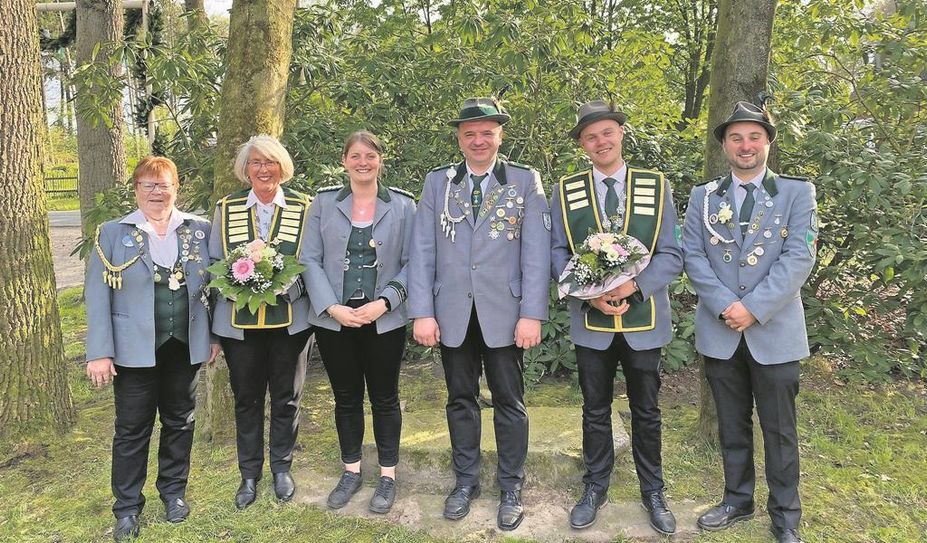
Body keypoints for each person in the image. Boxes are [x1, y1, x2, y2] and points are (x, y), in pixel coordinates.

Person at [408, 97, 550, 531]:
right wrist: (422, 312)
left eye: (487, 132)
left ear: (499, 136)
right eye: (469, 134)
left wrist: (532, 313)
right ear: (459, 139)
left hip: (505, 313)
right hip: (451, 311)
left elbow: (536, 253)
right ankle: (465, 481)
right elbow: (422, 249)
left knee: (510, 401)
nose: (478, 140)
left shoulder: (524, 180)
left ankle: (511, 487)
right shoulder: (438, 182)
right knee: (459, 400)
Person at [682, 101, 817, 543]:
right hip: (721, 331)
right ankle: (737, 499)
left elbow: (799, 258)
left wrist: (753, 308)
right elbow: (693, 255)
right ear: (724, 145)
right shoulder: (703, 196)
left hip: (774, 331)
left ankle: (785, 516)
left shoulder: (797, 193)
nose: (745, 146)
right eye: (736, 137)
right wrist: (726, 305)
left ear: (768, 142)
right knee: (731, 424)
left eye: (754, 137)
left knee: (779, 431)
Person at [549, 100, 683, 535]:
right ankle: (595, 486)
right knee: (594, 409)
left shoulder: (655, 185)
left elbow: (672, 254)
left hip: (645, 320)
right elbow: (557, 252)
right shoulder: (566, 190)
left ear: (621, 134)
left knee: (647, 411)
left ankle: (653, 490)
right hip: (592, 323)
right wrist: (588, 295)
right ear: (582, 145)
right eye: (590, 137)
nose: (600, 141)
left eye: (607, 132)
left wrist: (634, 286)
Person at [85, 156, 219, 541]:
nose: (156, 192)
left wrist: (213, 337)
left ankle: (173, 493)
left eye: (164, 184)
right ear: (136, 189)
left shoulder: (199, 230)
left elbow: (215, 288)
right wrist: (99, 352)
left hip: (183, 345)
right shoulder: (113, 233)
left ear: (177, 188)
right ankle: (127, 508)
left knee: (180, 421)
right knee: (132, 431)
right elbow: (97, 296)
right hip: (133, 350)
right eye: (148, 185)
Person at [301, 131, 416, 514]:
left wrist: (386, 302)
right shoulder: (323, 203)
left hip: (383, 319)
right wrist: (331, 307)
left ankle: (387, 476)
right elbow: (309, 259)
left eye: (370, 155)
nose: (362, 162)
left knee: (385, 397)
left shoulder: (403, 206)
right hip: (335, 320)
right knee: (346, 397)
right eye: (355, 156)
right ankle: (351, 471)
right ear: (344, 161)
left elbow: (414, 262)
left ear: (381, 160)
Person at [209, 135, 313, 510]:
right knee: (247, 400)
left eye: (270, 162)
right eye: (256, 162)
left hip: (291, 322)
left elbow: (316, 260)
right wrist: (233, 285)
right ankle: (249, 474)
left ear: (282, 166)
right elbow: (214, 262)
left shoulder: (305, 207)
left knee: (287, 399)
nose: (263, 169)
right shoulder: (227, 208)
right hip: (240, 325)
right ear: (245, 168)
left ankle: (282, 468)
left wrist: (293, 286)